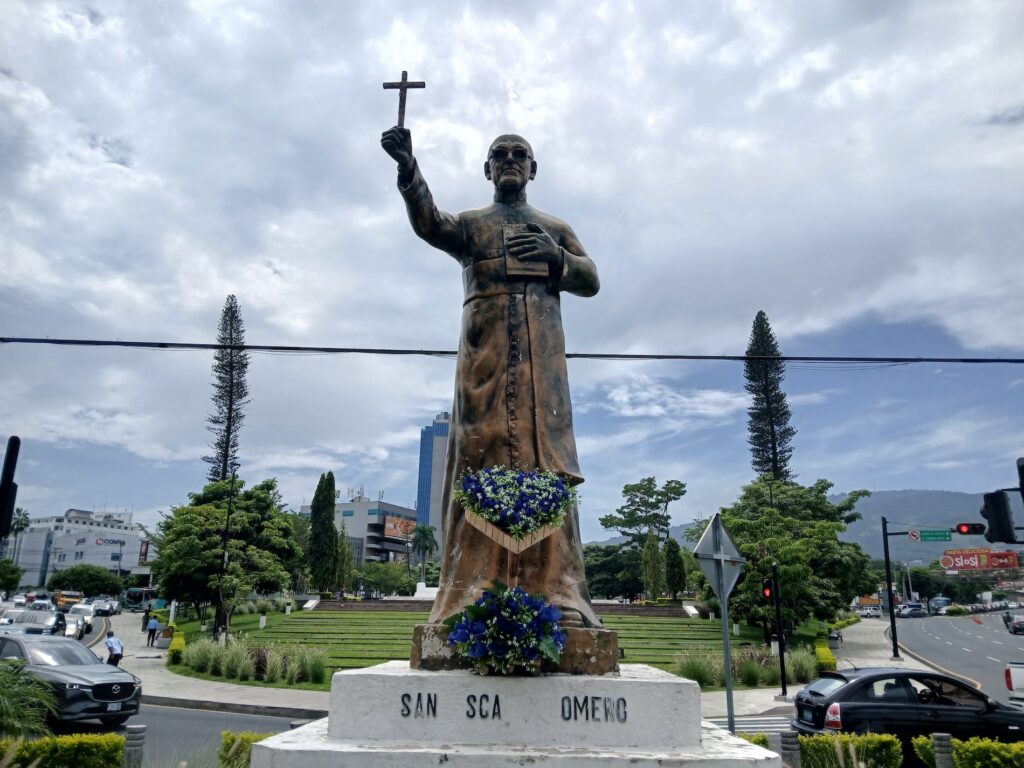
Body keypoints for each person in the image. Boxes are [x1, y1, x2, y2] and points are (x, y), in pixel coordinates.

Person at [381, 126, 600, 628]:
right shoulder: (473, 226)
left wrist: (557, 259)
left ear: (533, 168)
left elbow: (591, 279)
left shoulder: (553, 227)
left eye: (519, 154)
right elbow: (430, 223)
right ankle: (469, 596)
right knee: (476, 471)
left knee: (548, 474)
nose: (509, 161)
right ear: (486, 169)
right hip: (484, 369)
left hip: (543, 379)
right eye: (499, 155)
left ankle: (557, 595)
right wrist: (408, 169)